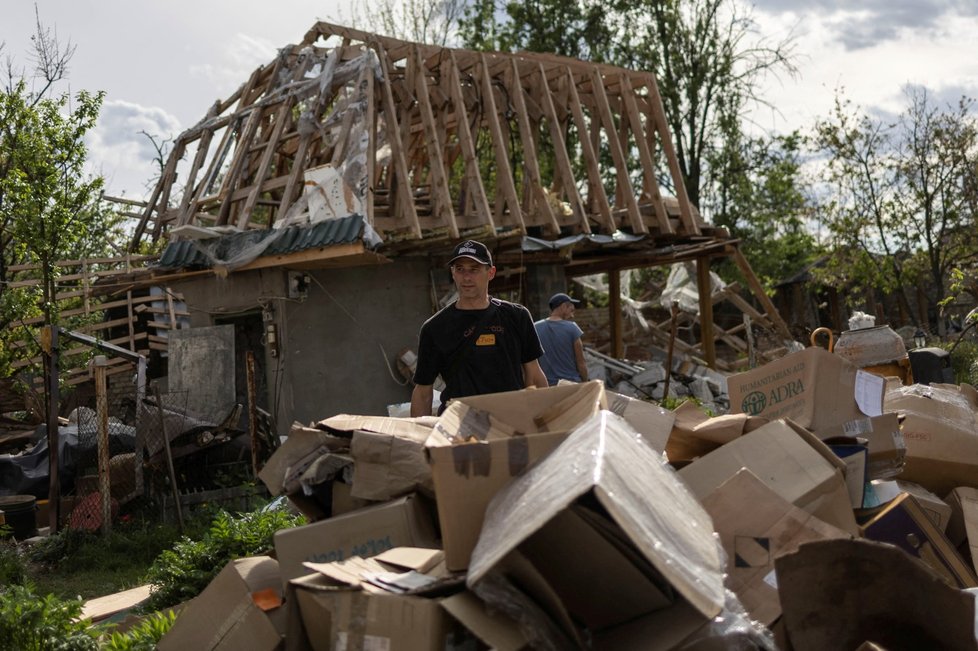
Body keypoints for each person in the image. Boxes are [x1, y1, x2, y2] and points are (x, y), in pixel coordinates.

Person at [410, 240, 549, 417]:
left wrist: (543, 423)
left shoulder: (516, 316)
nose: (466, 277)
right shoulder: (435, 327)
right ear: (453, 273)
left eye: (474, 269)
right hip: (460, 426)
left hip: (511, 421)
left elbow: (535, 376)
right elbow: (423, 392)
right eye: (460, 269)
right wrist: (418, 436)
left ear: (491, 273)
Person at [534, 293, 589, 386]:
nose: (572, 316)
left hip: (547, 386)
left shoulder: (535, 327)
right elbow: (581, 362)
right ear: (563, 307)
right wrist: (585, 383)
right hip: (571, 385)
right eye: (571, 310)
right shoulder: (572, 328)